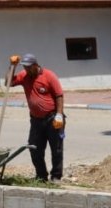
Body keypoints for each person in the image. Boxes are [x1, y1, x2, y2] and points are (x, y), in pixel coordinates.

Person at [9, 53, 65, 182]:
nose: (26, 70)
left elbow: (59, 95)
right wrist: (12, 66)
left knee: (56, 149)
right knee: (34, 149)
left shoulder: (49, 76)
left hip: (53, 118)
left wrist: (59, 115)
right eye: (24, 67)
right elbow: (9, 82)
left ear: (35, 65)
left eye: (29, 67)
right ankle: (41, 176)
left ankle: (56, 176)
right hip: (36, 121)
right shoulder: (24, 76)